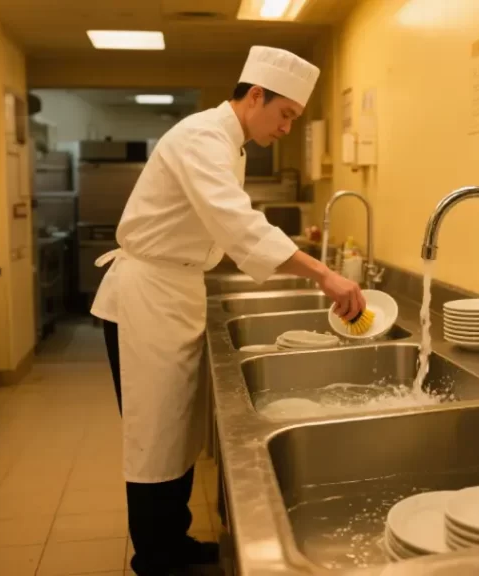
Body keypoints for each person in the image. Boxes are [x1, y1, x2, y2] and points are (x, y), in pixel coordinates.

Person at [91, 46, 366, 576]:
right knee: (155, 437)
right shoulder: (202, 137)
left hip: (173, 293)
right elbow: (240, 227)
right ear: (255, 95)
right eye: (285, 114)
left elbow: (232, 227)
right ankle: (155, 559)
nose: (287, 128)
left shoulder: (229, 143)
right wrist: (323, 275)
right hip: (147, 298)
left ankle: (174, 542)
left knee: (178, 432)